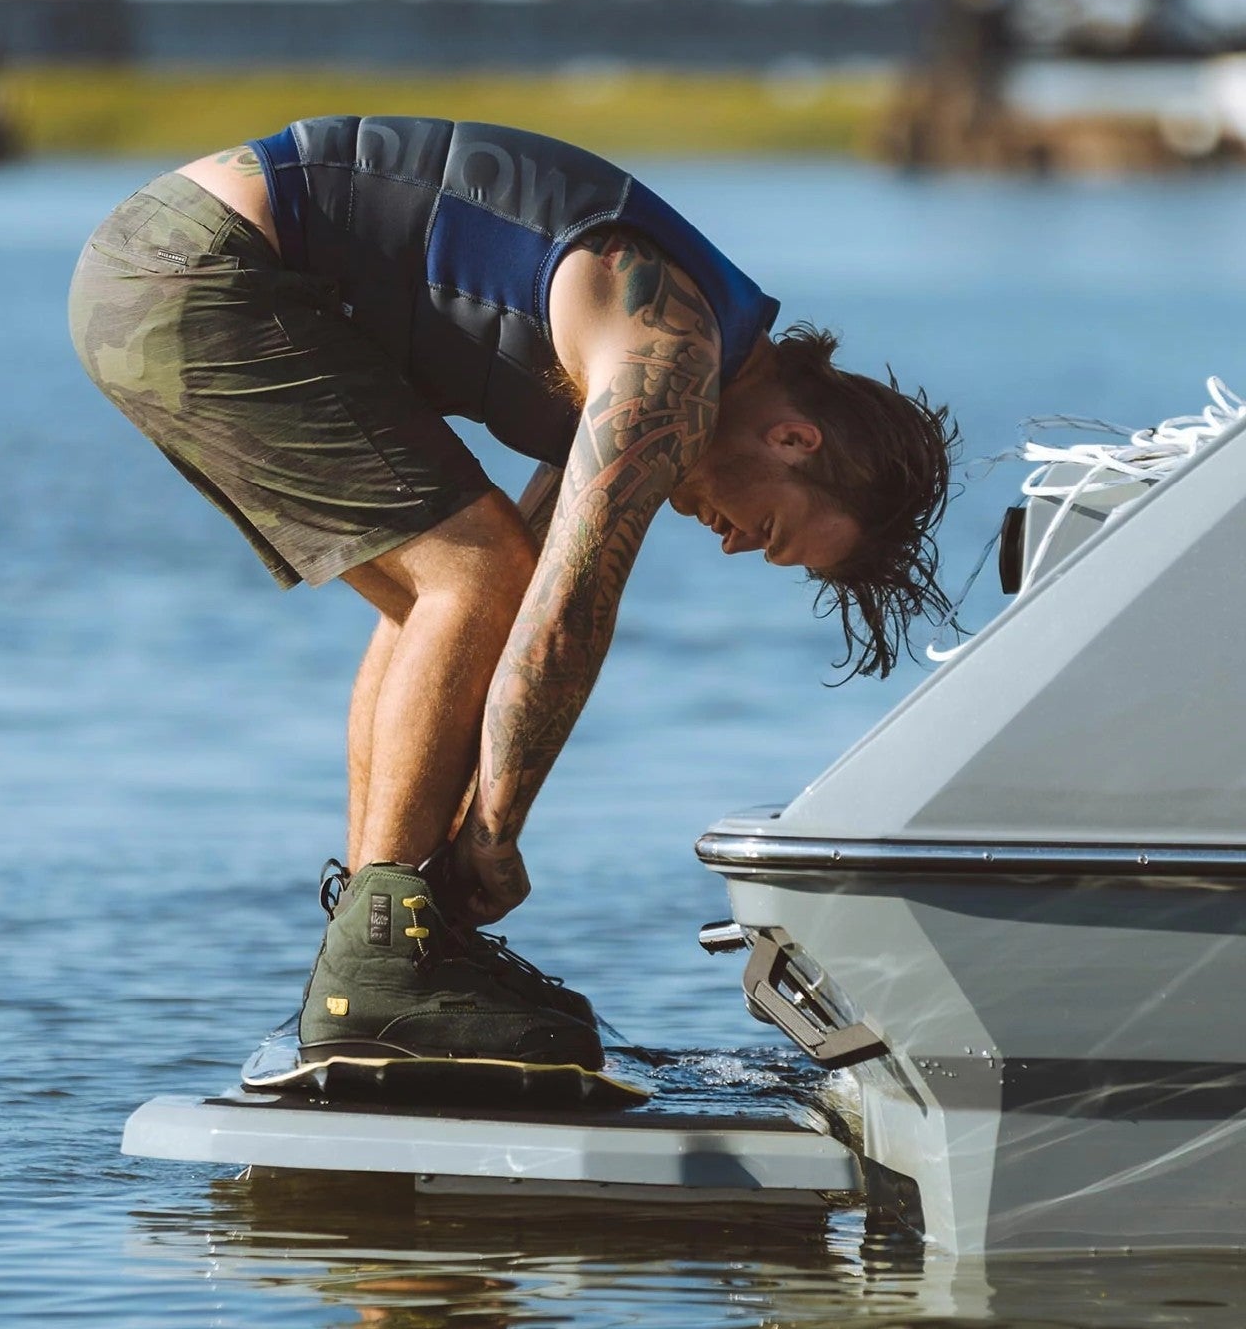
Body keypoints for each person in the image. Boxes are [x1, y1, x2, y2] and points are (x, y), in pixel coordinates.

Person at [68, 115, 956, 1074]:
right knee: (472, 575)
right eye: (769, 529)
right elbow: (568, 617)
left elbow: (521, 602)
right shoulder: (666, 360)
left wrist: (453, 861)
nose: (736, 544)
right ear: (793, 440)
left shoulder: (677, 361)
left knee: (455, 587)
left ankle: (385, 949)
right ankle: (380, 963)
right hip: (200, 267)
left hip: (163, 266)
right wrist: (494, 832)